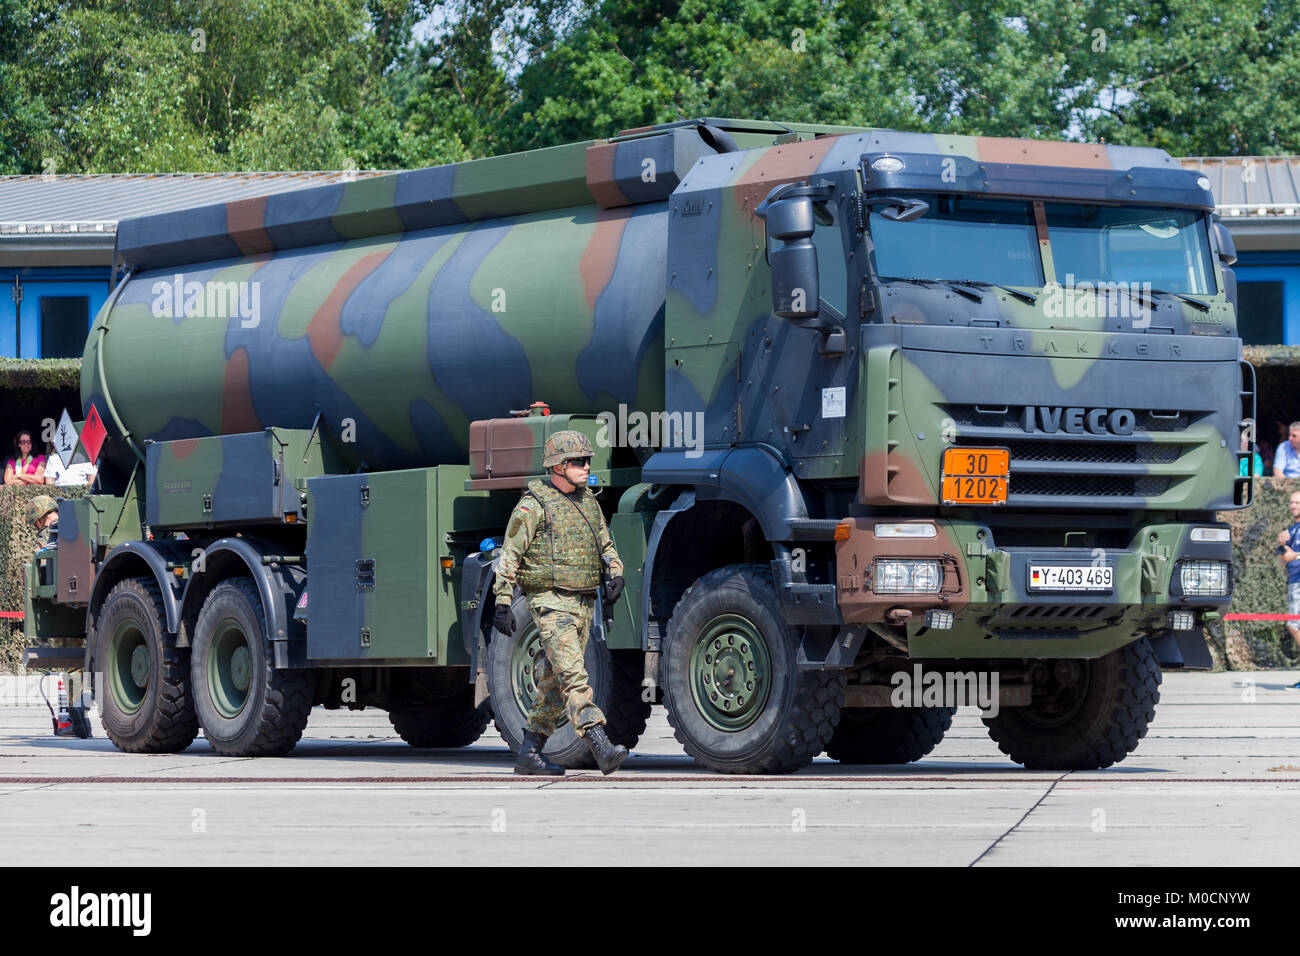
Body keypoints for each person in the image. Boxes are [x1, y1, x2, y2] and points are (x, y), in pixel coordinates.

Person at [492, 430, 629, 775]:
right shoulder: (532, 506)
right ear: (557, 466)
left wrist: (615, 573)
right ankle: (600, 744)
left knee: (554, 683)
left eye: (587, 461)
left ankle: (529, 754)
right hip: (550, 603)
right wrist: (503, 602)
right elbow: (510, 557)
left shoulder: (588, 503)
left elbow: (606, 546)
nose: (586, 467)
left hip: (582, 604)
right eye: (578, 461)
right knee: (573, 676)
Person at [1276, 490, 1300, 689]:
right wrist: (1282, 544)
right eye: (1291, 502)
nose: (1293, 506)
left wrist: (1296, 556)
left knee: (1294, 625)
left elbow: (1294, 557)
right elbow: (1283, 557)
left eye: (1297, 502)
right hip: (1294, 582)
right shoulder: (1293, 529)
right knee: (1294, 625)